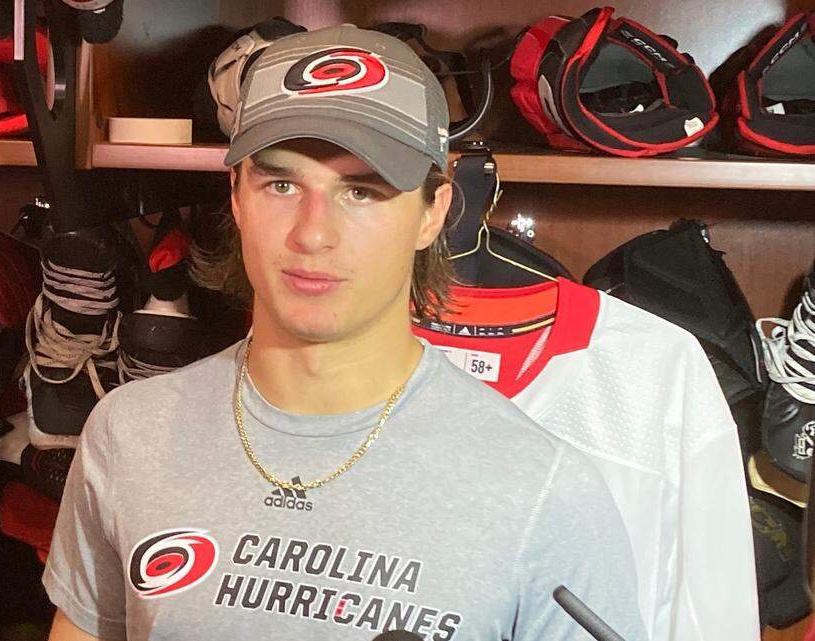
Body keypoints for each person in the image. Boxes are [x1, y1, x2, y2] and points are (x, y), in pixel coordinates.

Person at [43, 25, 646, 641]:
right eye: (281, 185)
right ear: (237, 196)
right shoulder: (128, 432)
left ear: (434, 212)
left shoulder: (544, 491)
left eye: (361, 191)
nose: (312, 234)